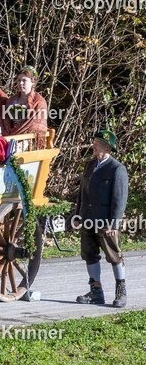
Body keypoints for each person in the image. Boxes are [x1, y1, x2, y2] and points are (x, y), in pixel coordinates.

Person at [73, 130, 128, 307]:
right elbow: (82, 193)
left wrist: (114, 223)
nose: (94, 145)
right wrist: (77, 215)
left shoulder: (117, 169)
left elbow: (120, 199)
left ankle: (121, 291)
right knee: (89, 254)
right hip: (88, 219)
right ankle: (96, 291)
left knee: (114, 255)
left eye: (97, 143)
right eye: (94, 142)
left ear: (107, 146)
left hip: (106, 222)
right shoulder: (89, 165)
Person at [1, 66, 49, 136]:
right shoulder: (11, 100)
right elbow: (6, 121)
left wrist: (19, 131)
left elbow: (36, 126)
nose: (20, 83)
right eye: (18, 80)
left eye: (24, 80)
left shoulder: (39, 102)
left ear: (33, 82)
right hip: (9, 135)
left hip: (29, 138)